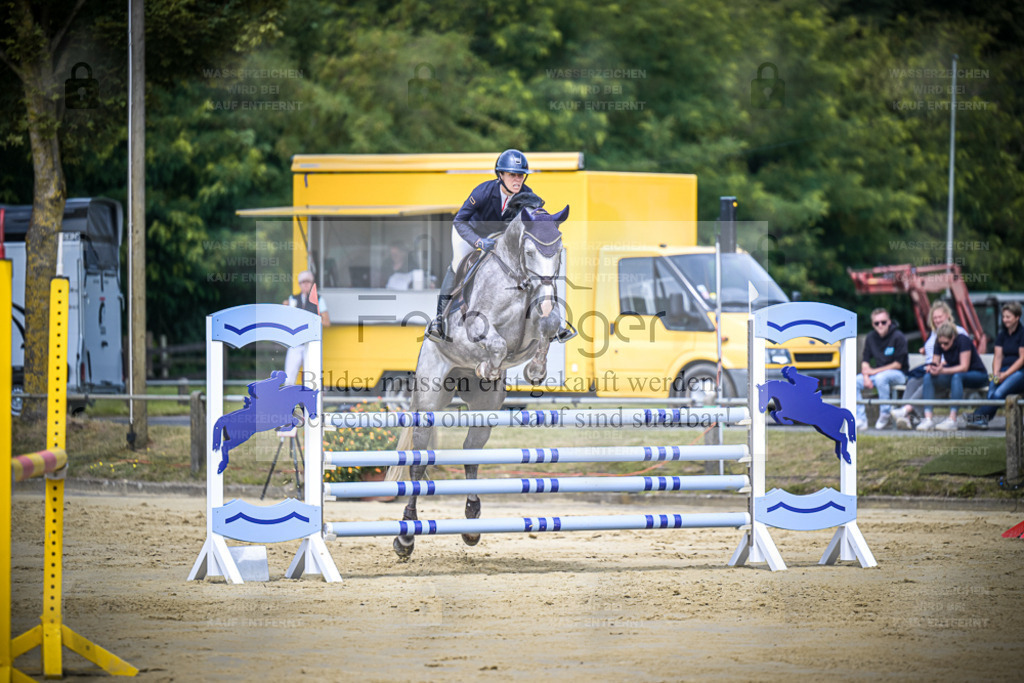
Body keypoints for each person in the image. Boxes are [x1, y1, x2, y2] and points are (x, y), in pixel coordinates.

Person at [425, 149, 534, 341]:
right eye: (512, 175)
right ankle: (439, 320)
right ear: (500, 175)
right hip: (470, 232)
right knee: (457, 264)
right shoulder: (483, 192)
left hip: (499, 238)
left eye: (520, 175)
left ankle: (545, 317)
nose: (517, 180)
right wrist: (477, 241)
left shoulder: (527, 195)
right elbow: (460, 221)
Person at [893, 300, 967, 430]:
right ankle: (907, 416)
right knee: (912, 381)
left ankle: (906, 411)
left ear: (948, 316)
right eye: (935, 318)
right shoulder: (934, 333)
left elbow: (959, 356)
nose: (937, 320)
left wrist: (939, 365)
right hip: (930, 367)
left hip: (947, 370)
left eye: (940, 317)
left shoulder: (959, 332)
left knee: (926, 382)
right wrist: (924, 350)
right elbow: (935, 350)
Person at [915, 321, 988, 431]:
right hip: (955, 376)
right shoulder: (939, 342)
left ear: (953, 337)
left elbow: (964, 367)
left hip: (978, 375)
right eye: (941, 344)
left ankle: (952, 419)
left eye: (946, 343)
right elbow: (935, 363)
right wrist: (932, 368)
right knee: (928, 377)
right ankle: (928, 419)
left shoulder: (963, 340)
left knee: (957, 376)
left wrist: (942, 370)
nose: (943, 346)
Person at [966, 301, 1024, 430]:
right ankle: (982, 420)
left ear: (1017, 317)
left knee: (998, 394)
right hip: (1003, 371)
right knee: (992, 389)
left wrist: (1005, 375)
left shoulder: (1022, 334)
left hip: (1019, 372)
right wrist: (997, 372)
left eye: (1008, 317)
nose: (1005, 320)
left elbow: (1022, 359)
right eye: (1004, 317)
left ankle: (977, 416)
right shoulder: (1002, 335)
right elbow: (998, 356)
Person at [856, 308, 908, 431]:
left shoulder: (898, 336)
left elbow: (898, 365)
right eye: (876, 323)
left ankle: (885, 413)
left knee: (881, 377)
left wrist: (873, 372)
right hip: (879, 375)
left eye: (883, 322)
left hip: (899, 374)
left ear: (889, 322)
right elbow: (865, 361)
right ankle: (861, 419)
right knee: (854, 381)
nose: (880, 325)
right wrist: (865, 377)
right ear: (872, 324)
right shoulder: (871, 337)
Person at [283, 270, 330, 385]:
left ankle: (311, 402)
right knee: (289, 378)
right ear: (299, 284)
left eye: (308, 282)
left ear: (312, 283)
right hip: (296, 342)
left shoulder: (319, 299)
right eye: (303, 282)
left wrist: (312, 320)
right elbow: (287, 320)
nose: (305, 284)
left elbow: (327, 322)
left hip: (311, 343)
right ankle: (288, 401)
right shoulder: (293, 299)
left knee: (312, 378)